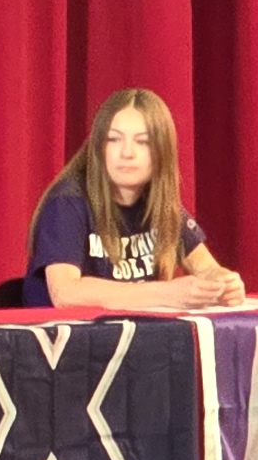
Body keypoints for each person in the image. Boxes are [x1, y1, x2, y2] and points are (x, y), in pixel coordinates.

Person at [25, 88, 244, 311]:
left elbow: (206, 268)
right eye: (114, 139)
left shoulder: (159, 204)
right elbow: (66, 293)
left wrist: (224, 283)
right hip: (67, 341)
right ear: (99, 148)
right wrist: (166, 293)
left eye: (143, 142)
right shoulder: (68, 201)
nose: (127, 153)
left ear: (162, 153)